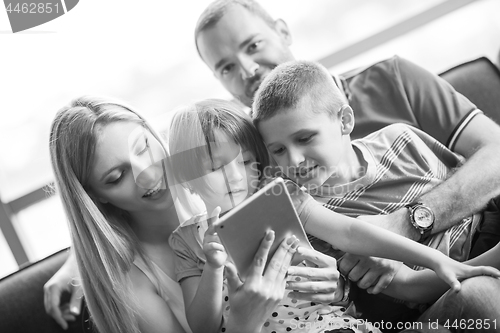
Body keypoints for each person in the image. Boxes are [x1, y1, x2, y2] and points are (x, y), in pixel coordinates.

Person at [166, 98, 499, 333]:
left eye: (245, 162)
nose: (236, 178)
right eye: (216, 168)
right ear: (188, 177)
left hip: (338, 324)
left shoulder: (282, 196)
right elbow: (203, 326)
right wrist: (212, 266)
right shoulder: (188, 239)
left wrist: (436, 261)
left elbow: (351, 233)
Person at [47, 96, 342, 333]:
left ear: (154, 133)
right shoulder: (133, 286)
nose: (147, 175)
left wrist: (339, 287)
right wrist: (243, 323)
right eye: (116, 177)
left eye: (144, 148)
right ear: (95, 196)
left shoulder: (218, 175)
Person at [251, 59, 500, 329]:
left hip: (488, 231)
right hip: (439, 297)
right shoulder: (312, 222)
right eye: (278, 150)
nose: (295, 159)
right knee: (477, 294)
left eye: (305, 138)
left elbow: (474, 195)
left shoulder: (400, 139)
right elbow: (412, 289)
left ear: (344, 121)